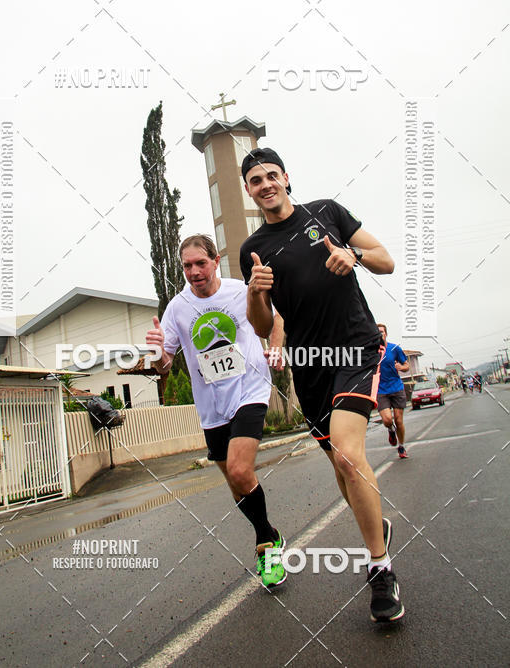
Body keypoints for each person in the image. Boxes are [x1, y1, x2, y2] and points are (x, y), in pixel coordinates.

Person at [239, 147, 404, 623]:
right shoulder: (254, 249)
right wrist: (255, 292)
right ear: (249, 191)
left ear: (286, 177)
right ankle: (375, 524)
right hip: (309, 365)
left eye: (271, 175)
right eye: (256, 180)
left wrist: (353, 256)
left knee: (351, 457)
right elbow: (261, 324)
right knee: (341, 466)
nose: (266, 184)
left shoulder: (327, 212)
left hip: (354, 347)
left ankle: (380, 569)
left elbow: (386, 260)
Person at [145, 233, 287, 590]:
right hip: (211, 406)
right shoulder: (177, 308)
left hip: (250, 390)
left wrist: (275, 347)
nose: (194, 271)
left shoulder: (240, 291)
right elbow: (165, 366)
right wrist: (158, 352)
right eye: (187, 266)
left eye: (200, 263)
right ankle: (269, 531)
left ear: (216, 260)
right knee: (236, 484)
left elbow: (276, 318)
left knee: (240, 469)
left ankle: (267, 547)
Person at [375, 324, 409, 459]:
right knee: (387, 420)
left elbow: (406, 365)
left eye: (382, 332)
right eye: (377, 332)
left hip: (396, 388)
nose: (380, 334)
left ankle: (401, 446)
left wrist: (401, 367)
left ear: (386, 334)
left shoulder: (394, 348)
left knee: (399, 421)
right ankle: (390, 430)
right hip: (381, 390)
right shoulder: (371, 351)